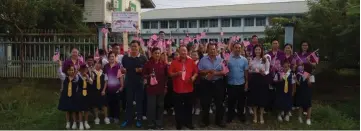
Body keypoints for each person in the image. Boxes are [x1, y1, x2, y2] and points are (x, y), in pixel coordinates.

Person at [169, 46, 198, 130]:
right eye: (181, 51)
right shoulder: (174, 62)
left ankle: (188, 123)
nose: (183, 53)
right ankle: (179, 124)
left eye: (185, 51)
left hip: (189, 89)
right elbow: (170, 74)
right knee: (178, 108)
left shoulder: (191, 61)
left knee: (188, 108)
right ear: (179, 51)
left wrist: (193, 77)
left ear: (187, 52)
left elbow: (196, 72)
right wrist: (176, 74)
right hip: (177, 90)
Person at [121, 40, 148, 128]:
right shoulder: (125, 57)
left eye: (135, 46)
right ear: (130, 47)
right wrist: (123, 70)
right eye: (132, 46)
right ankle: (127, 119)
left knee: (139, 102)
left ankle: (139, 119)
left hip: (139, 83)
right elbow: (122, 68)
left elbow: (147, 69)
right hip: (129, 83)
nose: (134, 48)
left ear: (139, 47)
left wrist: (142, 70)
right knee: (128, 102)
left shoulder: (143, 58)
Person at [198, 44, 226, 128]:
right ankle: (205, 121)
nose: (212, 51)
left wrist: (215, 73)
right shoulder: (203, 59)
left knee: (219, 103)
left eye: (214, 49)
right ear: (208, 50)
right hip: (206, 84)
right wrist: (208, 71)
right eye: (210, 49)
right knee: (205, 103)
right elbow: (200, 71)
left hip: (218, 83)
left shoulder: (221, 60)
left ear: (216, 50)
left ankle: (219, 121)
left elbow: (225, 72)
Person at [143, 47, 168, 130]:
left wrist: (165, 87)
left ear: (160, 54)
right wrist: (149, 76)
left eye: (158, 53)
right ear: (152, 54)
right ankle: (150, 124)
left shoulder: (164, 64)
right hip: (151, 89)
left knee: (160, 107)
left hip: (161, 89)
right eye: (155, 53)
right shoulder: (148, 64)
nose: (157, 54)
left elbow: (166, 76)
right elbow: (143, 75)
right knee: (151, 107)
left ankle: (159, 124)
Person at [226, 43, 248, 123]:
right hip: (231, 84)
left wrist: (246, 82)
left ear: (241, 49)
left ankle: (241, 115)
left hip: (241, 84)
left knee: (241, 101)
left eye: (239, 48)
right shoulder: (228, 59)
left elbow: (246, 72)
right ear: (233, 48)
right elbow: (225, 69)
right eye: (236, 47)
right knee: (231, 101)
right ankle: (230, 116)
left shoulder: (244, 60)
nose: (237, 49)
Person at [248, 45, 270, 124]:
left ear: (261, 50)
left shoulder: (264, 59)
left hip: (263, 80)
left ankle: (261, 115)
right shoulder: (252, 59)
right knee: (254, 97)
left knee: (262, 98)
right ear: (254, 51)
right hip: (254, 80)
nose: (257, 51)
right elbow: (249, 71)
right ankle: (255, 115)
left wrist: (264, 72)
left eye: (259, 49)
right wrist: (251, 68)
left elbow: (268, 70)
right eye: (256, 49)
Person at [57, 60, 79, 129]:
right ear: (67, 71)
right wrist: (60, 65)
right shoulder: (64, 78)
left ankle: (75, 122)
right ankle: (68, 122)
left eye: (72, 70)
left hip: (73, 96)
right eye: (69, 70)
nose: (71, 71)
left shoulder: (76, 78)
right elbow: (60, 73)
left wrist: (77, 70)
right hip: (66, 96)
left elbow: (76, 75)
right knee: (67, 110)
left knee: (73, 110)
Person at [104, 52, 124, 124]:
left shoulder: (118, 66)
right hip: (109, 89)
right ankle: (111, 116)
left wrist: (122, 86)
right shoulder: (106, 66)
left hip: (117, 88)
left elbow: (120, 77)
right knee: (110, 103)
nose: (111, 58)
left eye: (113, 56)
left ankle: (116, 117)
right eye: (110, 57)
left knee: (116, 104)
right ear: (108, 58)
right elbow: (105, 77)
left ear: (115, 57)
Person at [90, 61, 110, 125]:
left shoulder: (103, 73)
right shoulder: (93, 72)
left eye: (99, 64)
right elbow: (92, 80)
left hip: (102, 91)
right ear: (95, 65)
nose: (98, 65)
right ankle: (96, 118)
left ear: (101, 65)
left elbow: (106, 81)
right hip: (95, 91)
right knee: (95, 105)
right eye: (96, 64)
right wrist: (91, 72)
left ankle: (106, 118)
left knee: (104, 104)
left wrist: (104, 90)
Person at [294, 61, 313, 125]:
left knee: (308, 105)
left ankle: (308, 119)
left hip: (308, 93)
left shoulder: (312, 76)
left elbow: (310, 85)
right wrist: (296, 80)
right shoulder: (301, 75)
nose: (302, 67)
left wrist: (308, 79)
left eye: (303, 66)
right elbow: (299, 84)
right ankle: (299, 117)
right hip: (301, 92)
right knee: (301, 105)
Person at [76, 64, 93, 130]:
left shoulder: (87, 75)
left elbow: (91, 83)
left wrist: (87, 77)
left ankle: (86, 122)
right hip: (80, 93)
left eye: (85, 69)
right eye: (83, 69)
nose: (84, 70)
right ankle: (81, 123)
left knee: (86, 109)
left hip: (86, 93)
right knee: (80, 110)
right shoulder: (78, 76)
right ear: (80, 69)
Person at [190, 51, 201, 115]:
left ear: (198, 56)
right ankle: (192, 107)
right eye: (193, 55)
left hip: (198, 82)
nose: (194, 56)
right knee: (191, 96)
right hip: (190, 83)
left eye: (195, 55)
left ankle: (197, 108)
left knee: (198, 97)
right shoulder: (189, 62)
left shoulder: (200, 63)